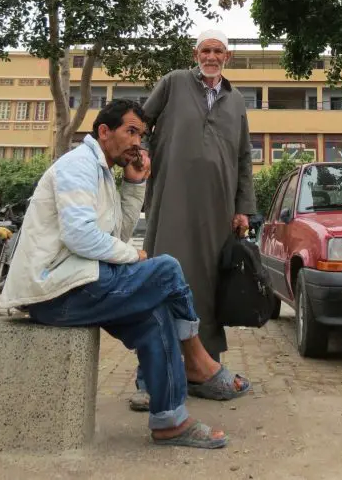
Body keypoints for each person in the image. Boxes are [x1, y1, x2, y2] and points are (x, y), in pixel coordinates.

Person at [0, 99, 233, 449]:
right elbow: (80, 236)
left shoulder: (104, 172)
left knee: (155, 317)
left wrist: (134, 185)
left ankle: (170, 421)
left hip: (82, 284)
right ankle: (198, 358)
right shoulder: (79, 165)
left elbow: (114, 237)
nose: (138, 142)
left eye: (142, 134)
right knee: (166, 269)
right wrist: (134, 256)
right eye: (131, 131)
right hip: (55, 292)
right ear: (104, 131)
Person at [130, 28, 255, 410]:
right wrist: (141, 156)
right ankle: (149, 378)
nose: (212, 56)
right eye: (206, 50)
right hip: (170, 199)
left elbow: (244, 158)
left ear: (227, 57)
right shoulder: (173, 83)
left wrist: (243, 208)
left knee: (208, 286)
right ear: (196, 53)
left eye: (218, 50)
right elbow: (140, 122)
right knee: (164, 280)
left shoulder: (236, 102)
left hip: (218, 209)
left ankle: (205, 369)